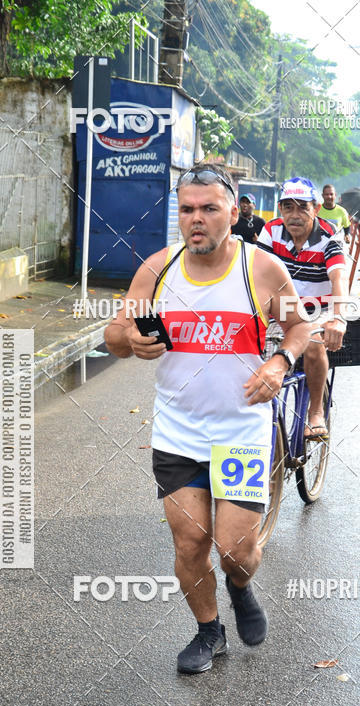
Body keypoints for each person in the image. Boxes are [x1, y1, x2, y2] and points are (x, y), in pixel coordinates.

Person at [104, 163, 311, 674]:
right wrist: (128, 340)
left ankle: (240, 584)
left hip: (240, 431)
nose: (196, 219)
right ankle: (208, 631)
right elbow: (113, 333)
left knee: (235, 550)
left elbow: (298, 329)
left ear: (233, 212)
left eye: (209, 209)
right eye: (187, 210)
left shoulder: (261, 270)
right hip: (178, 432)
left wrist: (280, 361)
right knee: (190, 541)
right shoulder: (157, 269)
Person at [257, 176, 348, 440]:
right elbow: (256, 275)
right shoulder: (271, 231)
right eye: (288, 207)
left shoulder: (330, 235)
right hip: (280, 308)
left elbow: (338, 278)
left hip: (318, 309)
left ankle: (316, 411)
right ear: (280, 209)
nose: (294, 215)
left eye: (302, 207)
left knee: (311, 342)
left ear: (316, 208)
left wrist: (338, 319)